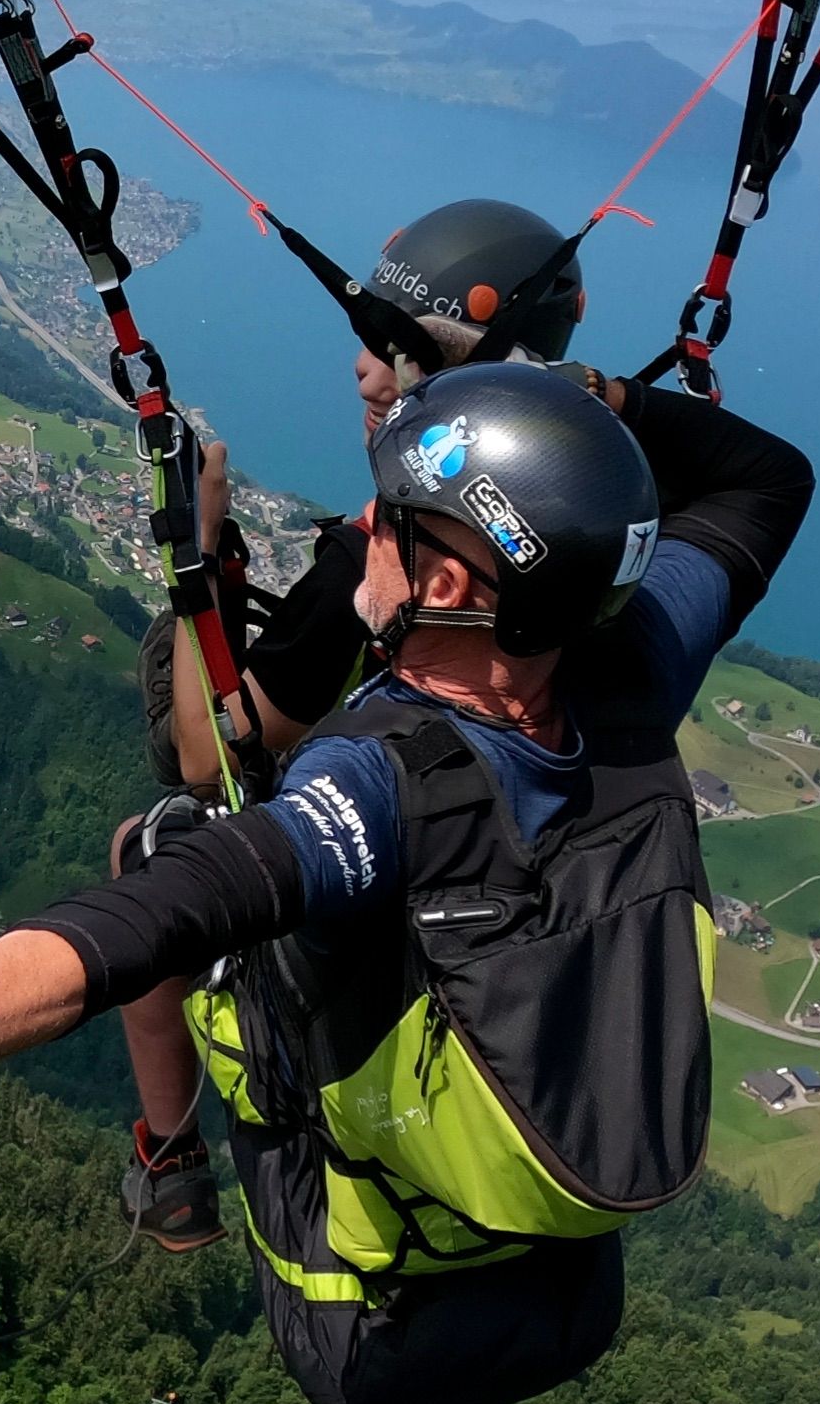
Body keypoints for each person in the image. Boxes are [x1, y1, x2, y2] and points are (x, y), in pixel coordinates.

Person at [0, 355, 813, 1404]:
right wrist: (591, 411)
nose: (365, 533)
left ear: (450, 580)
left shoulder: (378, 784)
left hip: (361, 1318)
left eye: (389, 527)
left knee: (160, 852)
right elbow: (768, 479)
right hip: (561, 1284)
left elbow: (142, 925)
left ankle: (167, 1169)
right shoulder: (628, 671)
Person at [115, 200, 595, 1255]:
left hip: (412, 901)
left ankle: (168, 1162)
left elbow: (211, 756)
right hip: (540, 884)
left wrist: (199, 566)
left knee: (150, 845)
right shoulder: (595, 516)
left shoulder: (382, 560)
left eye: (396, 355)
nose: (367, 375)